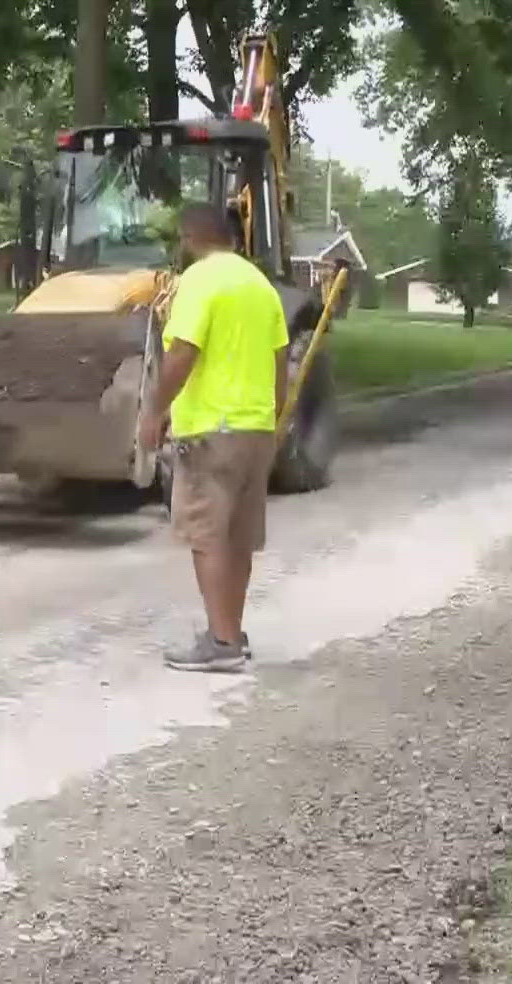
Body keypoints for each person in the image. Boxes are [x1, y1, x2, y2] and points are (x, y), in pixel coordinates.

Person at [140, 203, 290, 672]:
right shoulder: (260, 286)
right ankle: (232, 632)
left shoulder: (199, 282)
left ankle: (221, 642)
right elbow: (280, 358)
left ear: (189, 238)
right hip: (255, 428)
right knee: (238, 537)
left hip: (210, 431)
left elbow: (184, 351)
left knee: (206, 535)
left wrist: (155, 409)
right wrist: (275, 415)